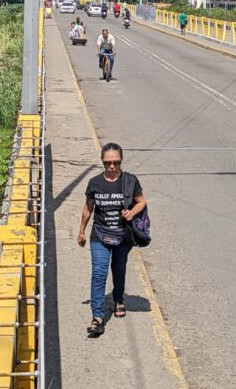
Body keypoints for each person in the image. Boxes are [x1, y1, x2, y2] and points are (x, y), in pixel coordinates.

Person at [77, 142, 147, 337]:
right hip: (99, 234)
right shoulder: (94, 183)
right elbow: (88, 208)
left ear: (121, 161)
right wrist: (81, 231)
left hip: (123, 236)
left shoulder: (130, 181)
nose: (112, 166)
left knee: (118, 270)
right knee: (99, 273)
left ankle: (118, 299)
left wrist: (131, 212)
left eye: (115, 162)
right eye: (108, 162)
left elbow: (142, 201)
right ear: (102, 161)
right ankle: (97, 317)